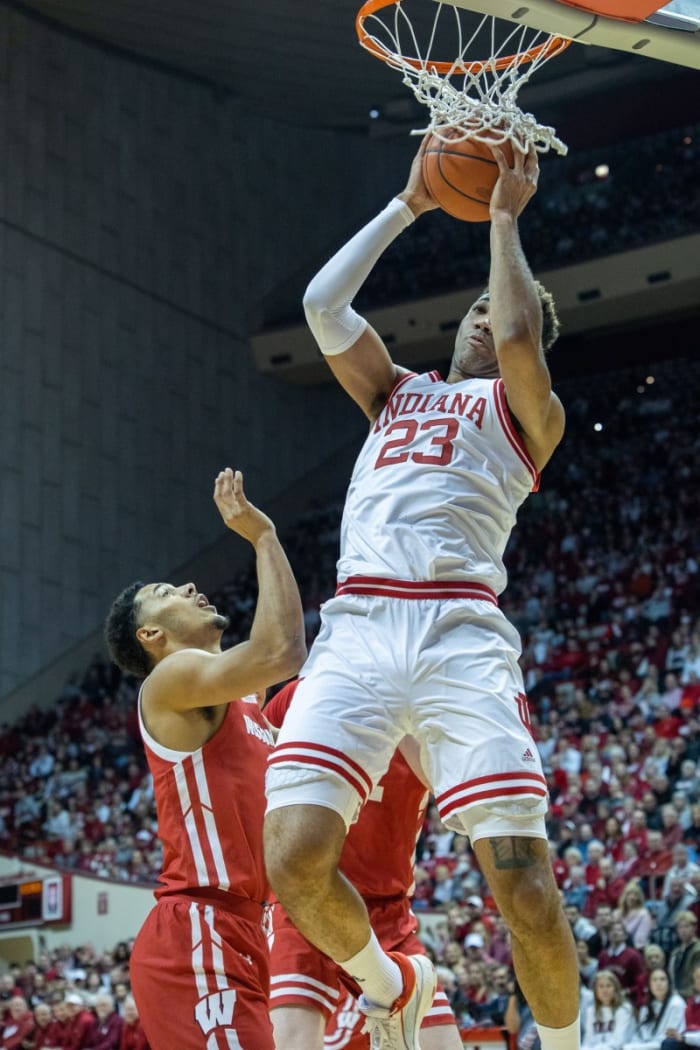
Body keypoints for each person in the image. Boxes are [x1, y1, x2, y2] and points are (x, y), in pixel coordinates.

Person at [264, 134, 578, 1050]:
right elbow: (324, 304)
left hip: (457, 633)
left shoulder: (529, 413)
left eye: (495, 306)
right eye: (475, 308)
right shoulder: (394, 392)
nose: (484, 319)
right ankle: (388, 982)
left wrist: (505, 220)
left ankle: (564, 1044)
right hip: (356, 628)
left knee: (523, 886)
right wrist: (410, 203)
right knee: (293, 860)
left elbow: (521, 333)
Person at [103, 467, 306, 1050]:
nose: (189, 589)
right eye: (167, 595)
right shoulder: (170, 680)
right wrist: (263, 537)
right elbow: (283, 649)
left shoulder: (247, 704)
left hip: (248, 926)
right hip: (198, 929)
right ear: (150, 635)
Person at [265, 677, 462, 1049]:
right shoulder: (305, 691)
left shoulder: (423, 705)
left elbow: (446, 784)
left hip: (387, 914)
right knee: (293, 1039)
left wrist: (400, 714)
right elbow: (251, 757)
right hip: (305, 906)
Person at [622, 968, 685, 1050]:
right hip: (644, 1045)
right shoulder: (646, 1006)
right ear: (649, 985)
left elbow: (668, 1038)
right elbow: (639, 1034)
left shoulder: (676, 1003)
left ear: (669, 983)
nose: (658, 983)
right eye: (654, 980)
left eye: (662, 979)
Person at [581, 971, 634, 1050]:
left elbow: (618, 1041)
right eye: (601, 986)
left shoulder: (624, 1009)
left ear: (616, 988)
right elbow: (587, 1040)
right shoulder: (590, 1011)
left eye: (608, 986)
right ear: (595, 990)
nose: (605, 990)